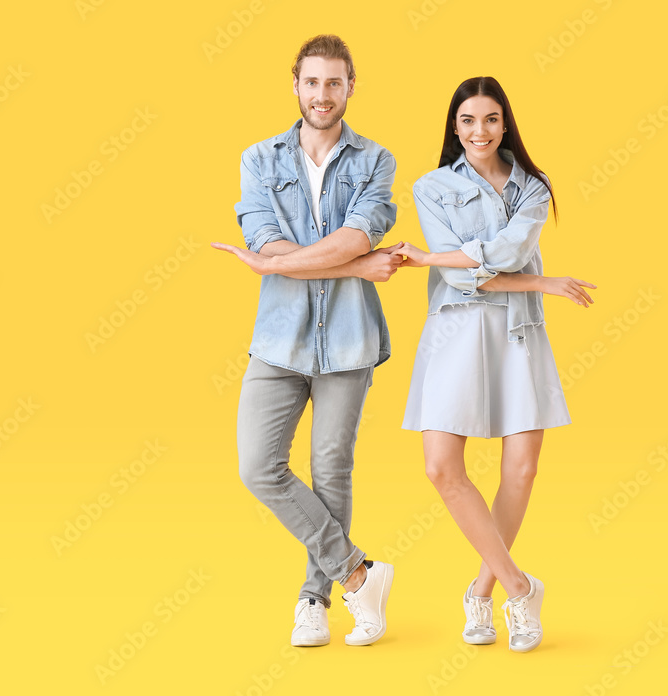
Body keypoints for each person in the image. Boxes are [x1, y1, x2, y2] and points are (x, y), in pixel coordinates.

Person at [393, 76, 596, 652]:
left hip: (517, 332)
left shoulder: (533, 187)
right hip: (455, 328)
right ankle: (520, 586)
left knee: (522, 470)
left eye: (490, 120)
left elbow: (498, 254)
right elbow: (462, 277)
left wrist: (433, 255)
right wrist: (543, 280)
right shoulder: (430, 186)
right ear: (454, 127)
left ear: (505, 124)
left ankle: (483, 591)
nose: (479, 132)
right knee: (440, 467)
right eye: (467, 121)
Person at [211, 35, 399, 647]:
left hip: (349, 340)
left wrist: (294, 262)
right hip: (279, 342)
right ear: (295, 83)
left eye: (334, 83)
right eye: (312, 82)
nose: (323, 94)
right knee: (257, 467)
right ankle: (358, 574)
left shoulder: (375, 160)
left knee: (329, 471)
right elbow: (270, 244)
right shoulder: (259, 160)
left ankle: (314, 602)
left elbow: (354, 236)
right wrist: (352, 266)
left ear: (350, 87)